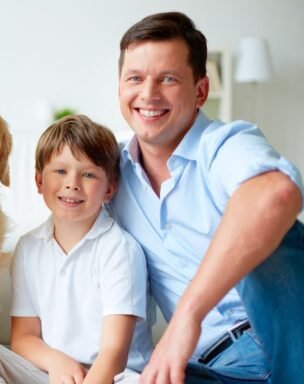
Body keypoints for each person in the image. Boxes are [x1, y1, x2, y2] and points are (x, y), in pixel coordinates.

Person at [112, 11, 304, 383]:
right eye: (134, 78)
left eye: (168, 79)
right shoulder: (107, 173)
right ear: (120, 87)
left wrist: (187, 315)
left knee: (273, 229)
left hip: (288, 336)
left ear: (200, 91)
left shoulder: (226, 143)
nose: (148, 94)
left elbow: (276, 194)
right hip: (216, 370)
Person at [0, 115, 153, 384]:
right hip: (52, 374)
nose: (72, 183)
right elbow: (24, 338)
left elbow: (113, 354)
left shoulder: (120, 250)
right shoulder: (28, 248)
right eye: (60, 171)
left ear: (109, 189)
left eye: (88, 174)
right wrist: (54, 361)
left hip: (114, 377)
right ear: (39, 181)